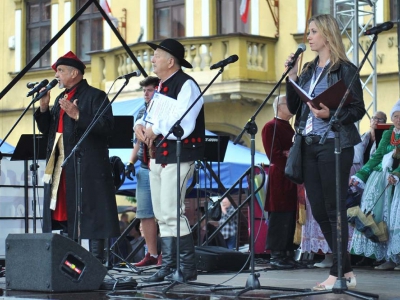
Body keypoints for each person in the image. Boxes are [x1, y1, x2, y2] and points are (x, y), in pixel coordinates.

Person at [285, 14, 365, 290]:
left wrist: (332, 113)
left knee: (334, 209)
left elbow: (358, 110)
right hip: (308, 144)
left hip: (334, 144)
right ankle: (347, 270)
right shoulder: (308, 70)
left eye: (313, 31)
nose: (308, 37)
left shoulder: (345, 69)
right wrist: (292, 77)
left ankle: (337, 272)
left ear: (327, 36)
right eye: (308, 32)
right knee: (319, 210)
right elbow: (295, 107)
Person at [34, 51, 120, 261]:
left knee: (92, 212)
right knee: (63, 211)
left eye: (61, 71)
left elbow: (107, 127)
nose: (57, 76)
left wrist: (78, 115)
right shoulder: (60, 99)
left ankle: (97, 263)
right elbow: (49, 132)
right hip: (61, 162)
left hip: (86, 165)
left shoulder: (95, 96)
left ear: (74, 73)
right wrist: (44, 107)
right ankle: (69, 263)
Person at [134, 38, 205, 282]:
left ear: (170, 61)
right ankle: (169, 266)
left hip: (179, 155)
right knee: (162, 214)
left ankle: (185, 268)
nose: (152, 60)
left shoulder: (187, 85)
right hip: (158, 157)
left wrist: (156, 129)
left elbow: (185, 122)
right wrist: (140, 126)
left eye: (156, 56)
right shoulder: (162, 86)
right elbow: (151, 116)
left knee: (173, 212)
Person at [350, 100, 400, 271]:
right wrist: (361, 174)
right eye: (395, 116)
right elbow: (377, 156)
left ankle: (396, 257)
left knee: (395, 219)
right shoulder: (388, 133)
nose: (398, 119)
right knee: (379, 219)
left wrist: (397, 173)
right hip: (381, 180)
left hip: (396, 180)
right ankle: (387, 258)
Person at [125, 76, 161, 267]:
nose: (145, 94)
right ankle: (152, 254)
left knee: (163, 212)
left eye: (149, 90)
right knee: (145, 213)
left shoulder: (163, 109)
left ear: (158, 90)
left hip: (162, 165)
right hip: (145, 167)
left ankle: (166, 254)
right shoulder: (141, 111)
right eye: (144, 91)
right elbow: (137, 142)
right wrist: (130, 163)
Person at [261, 95, 298, 269]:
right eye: (288, 103)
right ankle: (276, 255)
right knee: (279, 216)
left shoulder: (289, 128)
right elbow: (274, 154)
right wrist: (288, 154)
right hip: (280, 177)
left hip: (292, 177)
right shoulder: (271, 126)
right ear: (279, 106)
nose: (292, 107)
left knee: (290, 216)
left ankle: (288, 253)